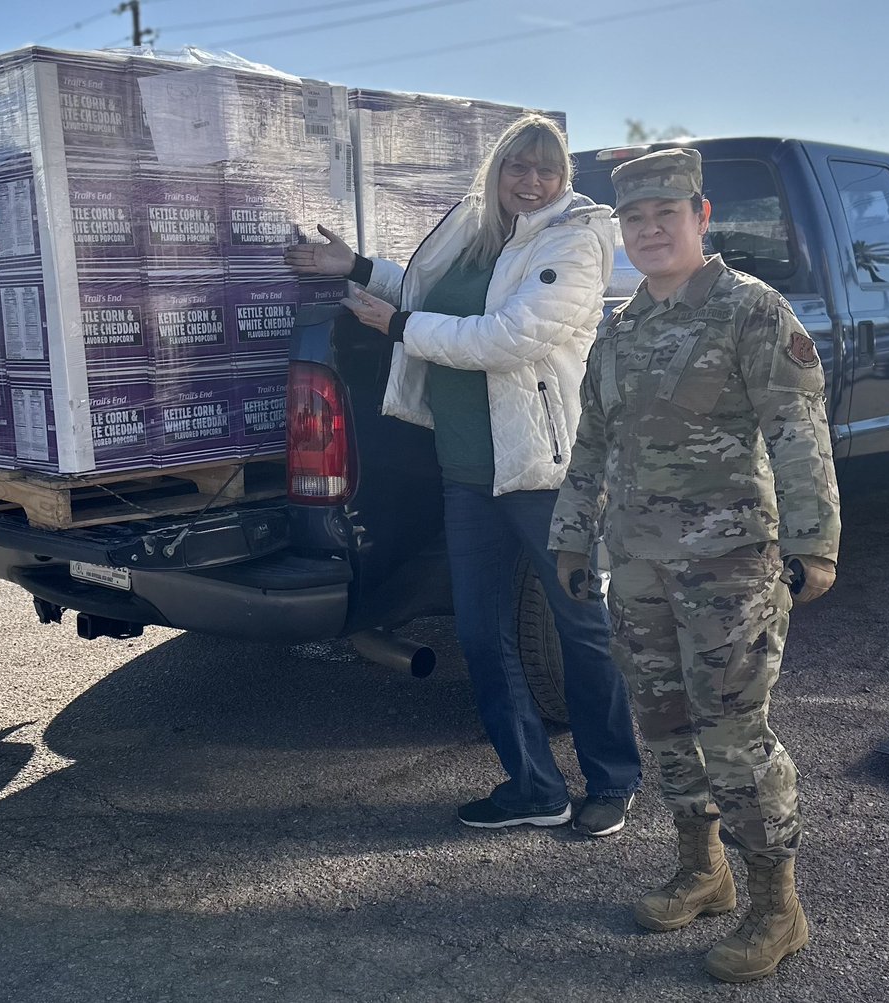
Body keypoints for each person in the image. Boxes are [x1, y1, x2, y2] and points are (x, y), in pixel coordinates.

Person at [285, 114, 642, 837]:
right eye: (518, 166)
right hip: (467, 470)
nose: (531, 180)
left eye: (546, 168)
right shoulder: (478, 228)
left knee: (579, 625)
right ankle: (534, 785)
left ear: (565, 175)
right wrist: (355, 267)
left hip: (545, 471)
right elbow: (424, 289)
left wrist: (397, 328)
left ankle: (613, 778)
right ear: (497, 169)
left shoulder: (576, 238)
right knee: (481, 633)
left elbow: (512, 335)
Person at [550, 148, 840, 982]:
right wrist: (574, 537)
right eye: (633, 221)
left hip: (730, 565)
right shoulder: (622, 324)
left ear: (700, 216)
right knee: (664, 723)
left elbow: (796, 427)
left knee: (735, 734)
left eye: (664, 216)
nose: (648, 231)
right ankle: (701, 868)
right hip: (639, 564)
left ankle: (776, 905)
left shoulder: (751, 310)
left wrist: (813, 544)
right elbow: (593, 444)